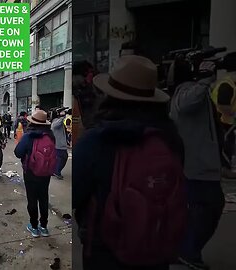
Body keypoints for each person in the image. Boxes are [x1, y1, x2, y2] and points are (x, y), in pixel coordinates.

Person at [73, 55, 186, 270]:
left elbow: (76, 195)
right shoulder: (171, 138)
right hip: (157, 247)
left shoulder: (96, 140)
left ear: (109, 96)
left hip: (106, 251)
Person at [170, 59, 225, 270]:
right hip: (197, 167)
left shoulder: (188, 92)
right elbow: (185, 104)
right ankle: (188, 251)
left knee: (200, 210)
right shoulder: (185, 93)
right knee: (209, 208)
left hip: (200, 165)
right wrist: (203, 82)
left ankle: (185, 249)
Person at [14, 109, 56, 238]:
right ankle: (43, 227)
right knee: (43, 198)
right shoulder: (50, 135)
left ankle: (34, 227)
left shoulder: (29, 136)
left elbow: (18, 153)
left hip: (31, 172)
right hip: (46, 173)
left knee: (32, 199)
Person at [210, 52, 236, 179]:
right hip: (222, 120)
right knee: (226, 144)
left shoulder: (230, 82)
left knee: (228, 143)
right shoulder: (227, 84)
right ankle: (224, 169)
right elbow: (222, 105)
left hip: (227, 121)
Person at [51, 108, 69, 180]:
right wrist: (63, 116)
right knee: (63, 158)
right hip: (59, 145)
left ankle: (55, 171)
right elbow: (57, 124)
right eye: (62, 112)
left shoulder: (57, 121)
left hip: (60, 144)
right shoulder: (55, 122)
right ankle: (57, 171)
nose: (64, 113)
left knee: (59, 159)